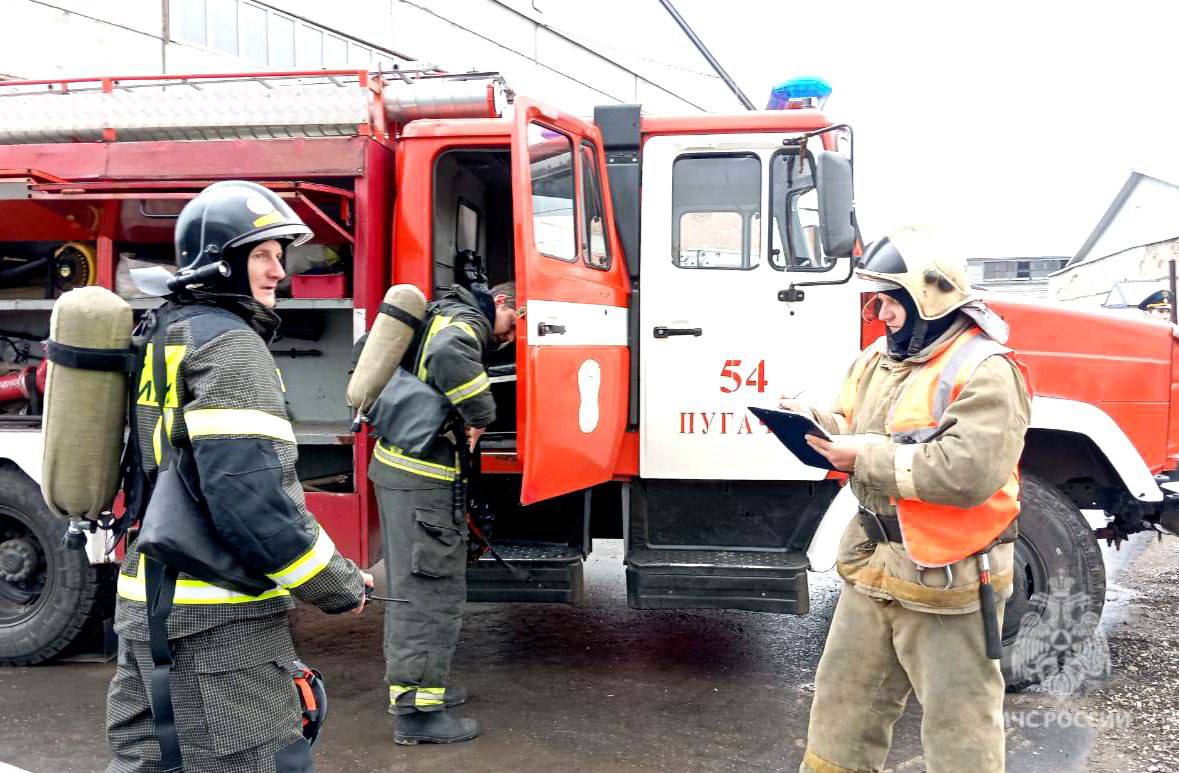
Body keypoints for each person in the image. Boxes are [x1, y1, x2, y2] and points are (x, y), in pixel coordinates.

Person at [106, 180, 373, 772]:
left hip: (148, 604)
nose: (280, 269)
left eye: (280, 254)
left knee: (149, 764)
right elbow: (252, 500)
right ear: (221, 263)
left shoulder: (165, 330)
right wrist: (338, 585)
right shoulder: (231, 346)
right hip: (219, 625)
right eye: (262, 254)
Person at [786, 226, 1031, 773]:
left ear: (931, 296)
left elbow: (968, 473)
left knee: (958, 723)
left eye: (890, 299)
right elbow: (854, 424)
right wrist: (812, 427)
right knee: (842, 710)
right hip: (873, 565)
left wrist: (861, 457)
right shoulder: (880, 359)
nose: (880, 311)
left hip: (950, 576)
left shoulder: (987, 370)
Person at [370, 279, 517, 745]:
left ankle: (420, 691)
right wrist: (480, 414)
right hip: (422, 478)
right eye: (514, 323)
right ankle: (417, 714)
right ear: (501, 302)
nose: (510, 337)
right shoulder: (464, 323)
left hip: (403, 470)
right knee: (430, 595)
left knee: (414, 589)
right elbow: (453, 354)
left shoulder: (439, 312)